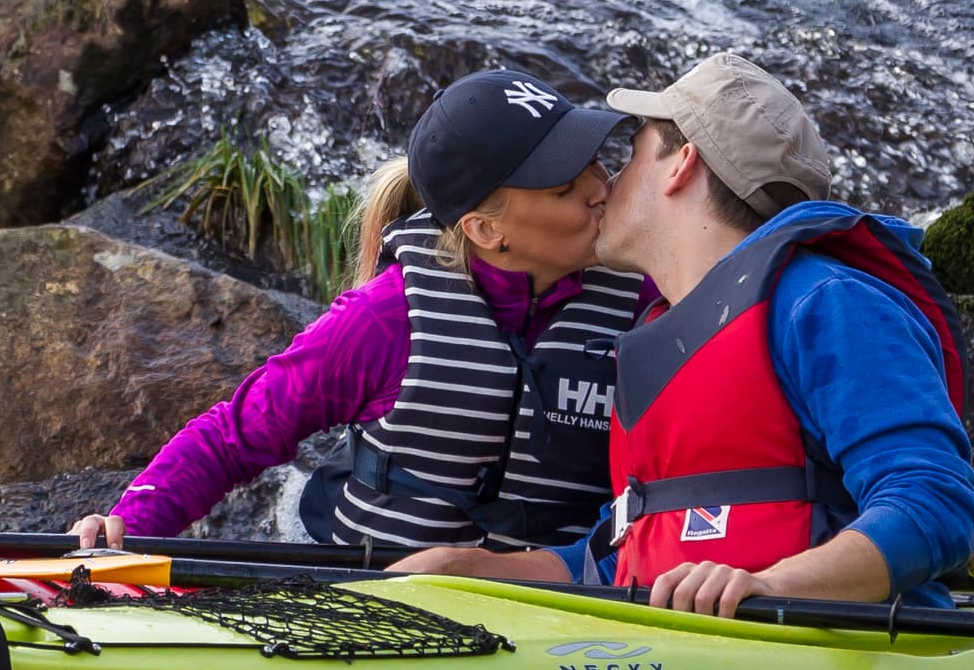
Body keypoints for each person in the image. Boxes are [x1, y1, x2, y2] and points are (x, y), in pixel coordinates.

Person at [401, 52, 974, 618]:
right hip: (693, 666)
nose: (605, 179)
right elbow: (628, 558)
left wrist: (775, 587)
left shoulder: (830, 303)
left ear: (683, 163)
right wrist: (475, 571)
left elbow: (935, 502)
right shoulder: (656, 335)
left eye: (634, 151)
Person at [68, 68, 653, 555]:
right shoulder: (385, 318)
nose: (602, 188)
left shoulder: (647, 301)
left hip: (562, 602)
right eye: (563, 187)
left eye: (596, 163)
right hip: (379, 594)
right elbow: (235, 434)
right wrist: (130, 526)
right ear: (484, 229)